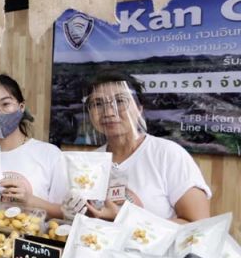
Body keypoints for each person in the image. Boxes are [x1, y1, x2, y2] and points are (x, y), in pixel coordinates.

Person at [81, 71, 210, 222]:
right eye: (97, 104)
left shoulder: (167, 154)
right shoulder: (89, 163)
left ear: (139, 109)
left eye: (120, 101)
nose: (109, 112)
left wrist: (128, 221)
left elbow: (197, 223)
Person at [0, 74, 68, 219]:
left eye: (5, 104)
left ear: (21, 107)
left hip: (34, 234)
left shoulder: (50, 154)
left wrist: (30, 201)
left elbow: (65, 213)